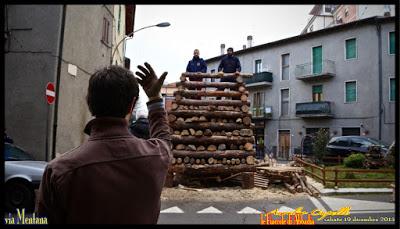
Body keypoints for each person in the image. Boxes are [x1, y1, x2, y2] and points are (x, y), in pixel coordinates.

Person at [36, 63, 171, 224]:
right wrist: (155, 99)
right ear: (132, 105)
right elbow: (164, 138)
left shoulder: (59, 171)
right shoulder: (156, 157)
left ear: (89, 102)